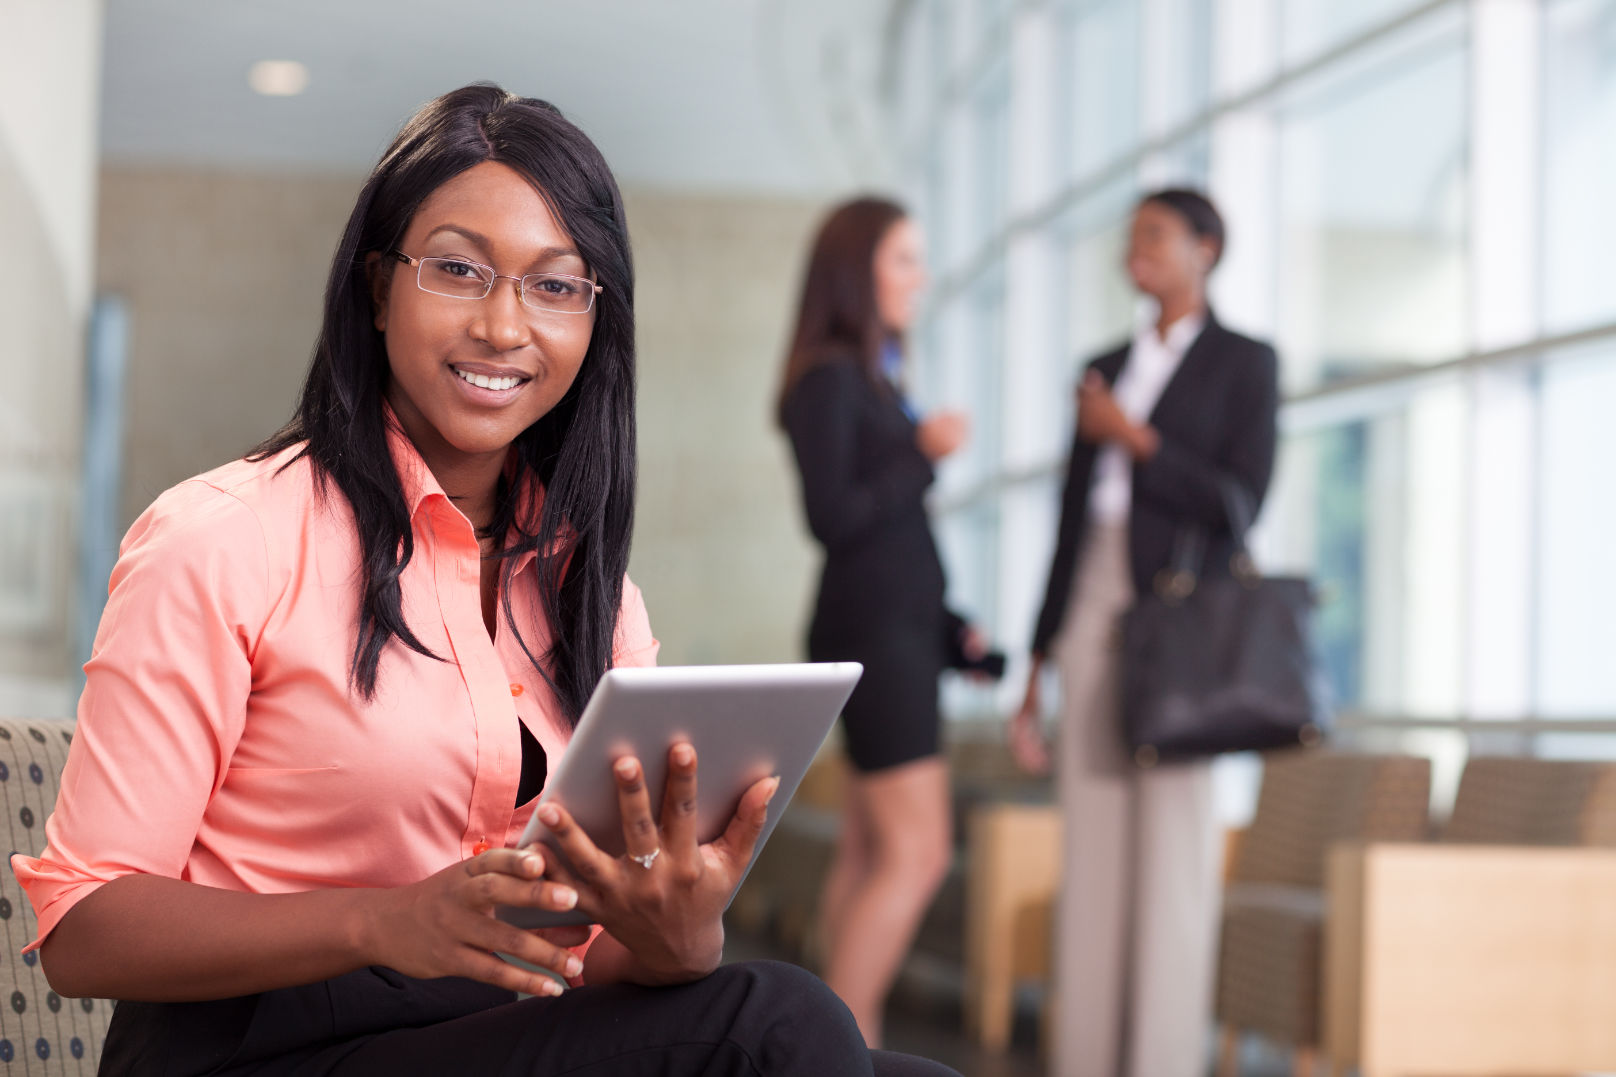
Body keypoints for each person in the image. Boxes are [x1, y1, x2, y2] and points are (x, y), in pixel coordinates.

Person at [12, 85, 961, 1077]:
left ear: (596, 321)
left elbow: (591, 963)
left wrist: (678, 936)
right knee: (786, 1022)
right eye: (458, 270)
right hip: (250, 1049)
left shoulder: (588, 589)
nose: (504, 326)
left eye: (555, 286)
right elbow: (85, 927)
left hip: (481, 1030)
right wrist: (383, 923)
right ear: (377, 289)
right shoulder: (222, 537)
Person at [1009, 188, 1279, 1077]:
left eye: (1157, 235)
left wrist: (1136, 438)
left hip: (1179, 618)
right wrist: (1037, 661)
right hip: (1092, 597)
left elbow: (1241, 504)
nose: (1140, 250)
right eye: (1132, 237)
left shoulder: (1245, 363)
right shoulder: (1102, 364)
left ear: (1207, 248)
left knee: (1172, 851)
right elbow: (1066, 522)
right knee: (1093, 846)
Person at [776, 197, 990, 1048]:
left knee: (870, 851)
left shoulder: (871, 378)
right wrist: (922, 454)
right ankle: (841, 1050)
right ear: (856, 272)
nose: (920, 277)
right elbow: (835, 516)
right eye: (904, 259)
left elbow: (895, 536)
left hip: (895, 631)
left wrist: (950, 629)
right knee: (917, 852)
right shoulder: (829, 378)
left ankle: (830, 1041)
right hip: (873, 637)